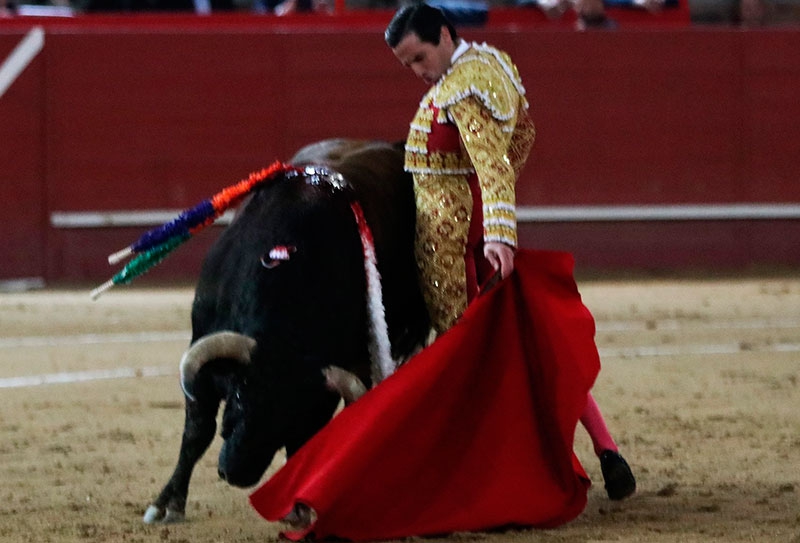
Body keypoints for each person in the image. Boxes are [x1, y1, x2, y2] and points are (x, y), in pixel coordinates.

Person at [384, 2, 635, 501]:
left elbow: (495, 164)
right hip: (475, 230)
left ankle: (502, 470)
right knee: (533, 343)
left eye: (419, 58)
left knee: (473, 358)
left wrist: (495, 233)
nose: (417, 72)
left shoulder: (463, 89)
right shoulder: (489, 64)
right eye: (407, 64)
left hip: (459, 247)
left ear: (444, 35)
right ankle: (606, 449)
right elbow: (521, 138)